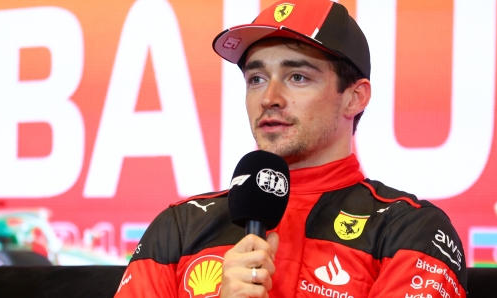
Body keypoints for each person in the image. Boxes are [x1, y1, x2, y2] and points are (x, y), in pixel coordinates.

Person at [115, 0, 468, 297]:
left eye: (297, 77)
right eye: (256, 79)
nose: (269, 99)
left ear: (354, 97)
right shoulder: (180, 226)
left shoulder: (411, 229)